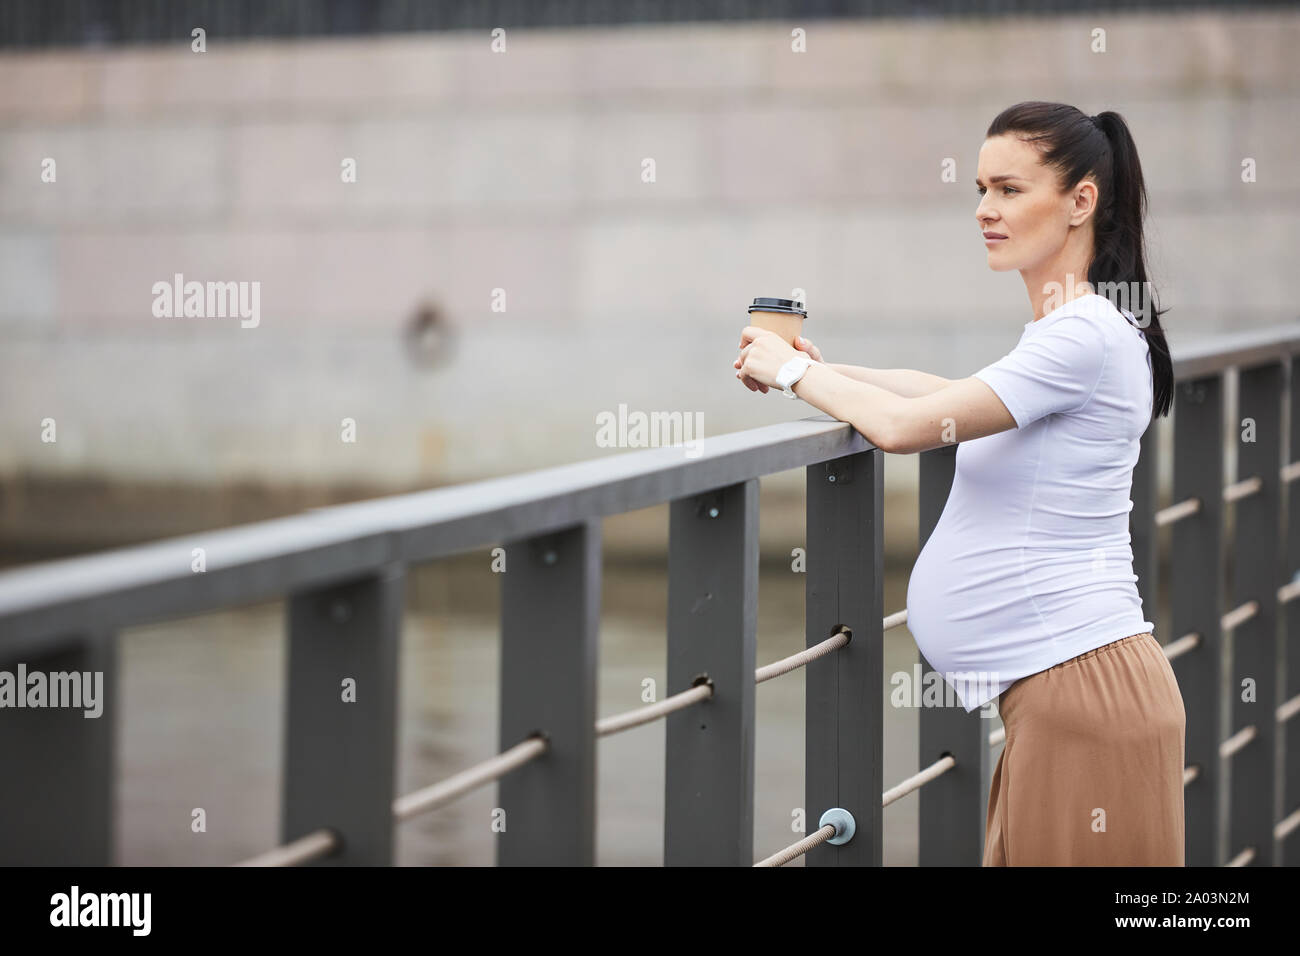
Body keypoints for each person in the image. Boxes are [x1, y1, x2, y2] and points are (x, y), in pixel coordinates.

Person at [734, 101, 1184, 865]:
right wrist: (824, 368)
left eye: (1009, 190)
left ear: (1081, 201)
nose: (984, 210)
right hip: (1062, 693)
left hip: (1081, 696)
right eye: (980, 189)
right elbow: (943, 394)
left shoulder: (1083, 334)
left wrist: (796, 374)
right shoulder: (1079, 325)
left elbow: (910, 429)